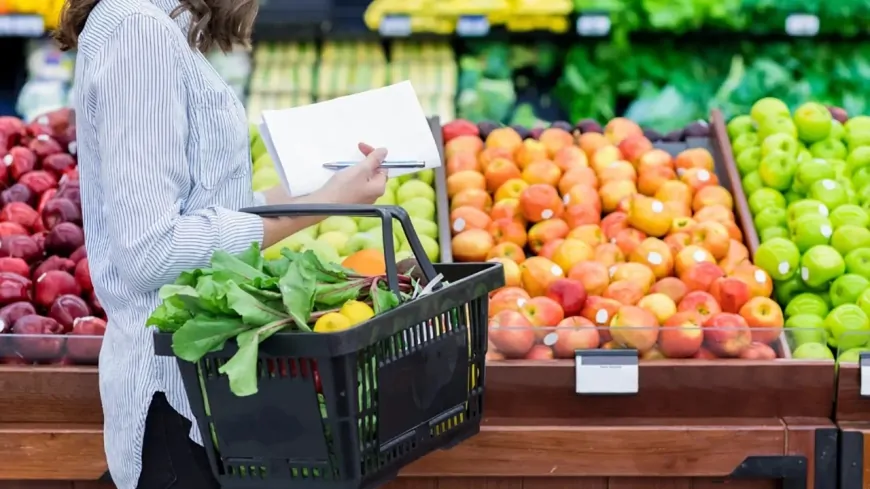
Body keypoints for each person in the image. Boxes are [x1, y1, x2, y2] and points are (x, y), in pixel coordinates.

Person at [53, 0, 389, 487]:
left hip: (202, 394)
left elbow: (202, 207)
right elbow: (153, 251)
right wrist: (320, 207)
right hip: (173, 399)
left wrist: (321, 194)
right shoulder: (139, 33)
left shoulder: (155, 28)